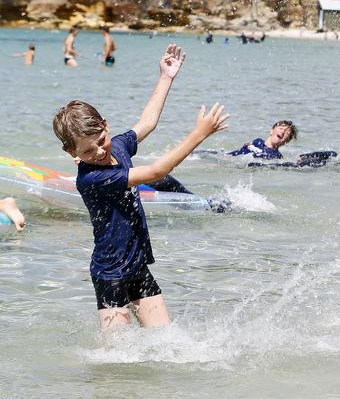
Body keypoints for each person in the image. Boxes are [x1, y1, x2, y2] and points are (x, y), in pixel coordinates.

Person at [52, 44, 229, 330]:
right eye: (86, 151)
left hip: (136, 266)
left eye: (101, 141)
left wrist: (166, 77)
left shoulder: (119, 147)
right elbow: (158, 170)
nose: (98, 152)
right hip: (110, 275)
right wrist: (198, 134)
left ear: (105, 126)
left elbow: (148, 122)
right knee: (116, 363)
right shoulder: (93, 179)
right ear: (70, 153)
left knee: (166, 341)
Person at [229, 120, 297, 159]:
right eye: (281, 128)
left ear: (286, 141)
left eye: (286, 133)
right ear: (271, 131)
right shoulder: (257, 141)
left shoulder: (277, 156)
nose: (282, 132)